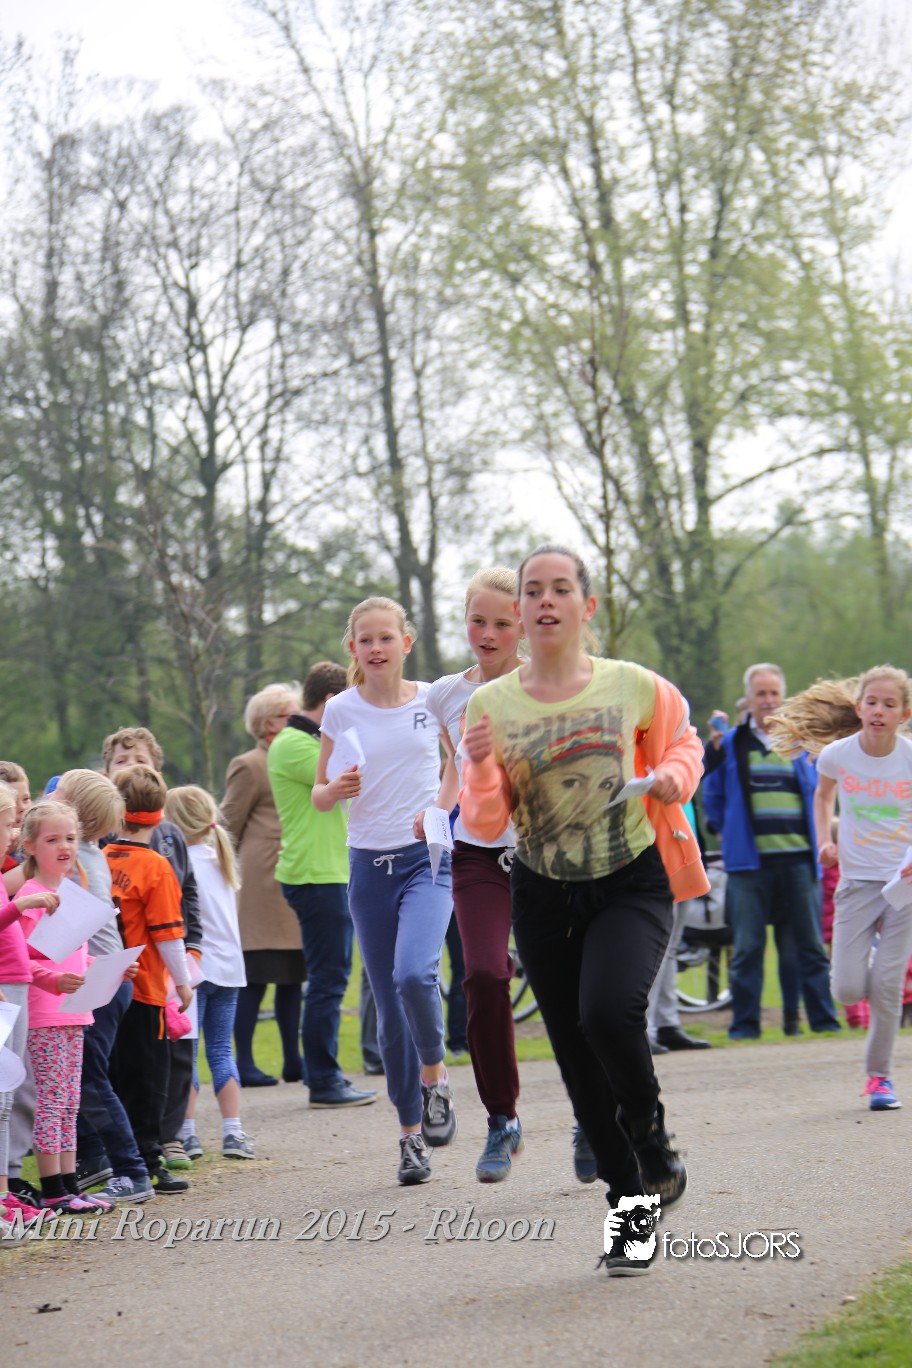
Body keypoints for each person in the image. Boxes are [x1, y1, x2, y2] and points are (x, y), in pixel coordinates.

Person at [459, 545, 705, 1275]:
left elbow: (684, 741)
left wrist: (673, 773)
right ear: (519, 612)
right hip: (543, 892)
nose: (545, 600)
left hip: (631, 879)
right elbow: (485, 820)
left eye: (560, 588)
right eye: (533, 590)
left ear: (585, 605)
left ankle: (652, 1139)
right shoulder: (489, 706)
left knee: (608, 1014)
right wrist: (479, 765)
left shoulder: (632, 685)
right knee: (575, 1061)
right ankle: (631, 1212)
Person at [313, 597, 456, 1186]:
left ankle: (435, 1077)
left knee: (414, 974)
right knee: (388, 1009)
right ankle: (410, 1137)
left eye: (386, 638)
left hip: (427, 860)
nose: (376, 648)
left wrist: (439, 809)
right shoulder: (339, 709)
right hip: (369, 868)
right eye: (365, 640)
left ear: (406, 642)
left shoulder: (432, 700)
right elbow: (319, 793)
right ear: (353, 648)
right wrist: (335, 789)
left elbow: (458, 765)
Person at [419, 567, 525, 1182]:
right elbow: (455, 768)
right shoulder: (444, 695)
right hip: (478, 851)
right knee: (483, 974)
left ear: (524, 627)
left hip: (544, 853)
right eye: (477, 620)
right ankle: (501, 1118)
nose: (487, 634)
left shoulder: (547, 686)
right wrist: (436, 811)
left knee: (574, 990)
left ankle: (593, 1117)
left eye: (502, 624)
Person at [772, 667, 912, 1110]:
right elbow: (822, 796)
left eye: (890, 704)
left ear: (904, 714)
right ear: (858, 708)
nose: (879, 711)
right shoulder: (837, 755)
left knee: (887, 986)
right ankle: (865, 958)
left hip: (904, 885)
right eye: (872, 702)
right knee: (848, 990)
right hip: (856, 882)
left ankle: (879, 1079)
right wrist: (824, 841)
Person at [702, 663, 840, 1039]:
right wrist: (726, 831)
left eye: (774, 693)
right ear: (748, 698)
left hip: (800, 860)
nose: (768, 700)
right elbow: (712, 792)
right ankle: (745, 1027)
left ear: (783, 697)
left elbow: (822, 793)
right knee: (748, 948)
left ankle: (824, 1022)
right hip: (749, 864)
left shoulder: (801, 742)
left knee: (808, 947)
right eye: (760, 693)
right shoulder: (731, 743)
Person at [268, 662, 376, 1109]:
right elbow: (356, 773)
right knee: (328, 981)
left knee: (330, 978)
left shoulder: (302, 740)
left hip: (326, 873)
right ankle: (324, 1079)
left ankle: (324, 1075)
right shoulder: (295, 744)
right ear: (332, 702)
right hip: (317, 875)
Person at [53, 769, 156, 1205]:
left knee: (90, 1080)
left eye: (57, 795)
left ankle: (132, 1171)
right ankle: (95, 1159)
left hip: (99, 980)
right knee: (81, 1078)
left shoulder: (75, 863)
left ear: (74, 812)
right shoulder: (90, 855)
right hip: (107, 977)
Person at [102, 726, 204, 1172]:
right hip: (145, 987)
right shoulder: (156, 866)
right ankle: (147, 1159)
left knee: (116, 1074)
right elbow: (167, 933)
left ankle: (119, 1156)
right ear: (159, 810)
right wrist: (182, 982)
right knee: (148, 1077)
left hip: (107, 983)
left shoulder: (100, 858)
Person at [17, 801, 113, 1214]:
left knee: (70, 1103)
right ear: (30, 846)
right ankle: (54, 1190)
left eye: (70, 838)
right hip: (46, 1014)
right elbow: (19, 959)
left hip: (75, 1011)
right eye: (53, 839)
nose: (64, 847)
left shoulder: (71, 894)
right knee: (52, 1102)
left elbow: (73, 954)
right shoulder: (28, 898)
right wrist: (51, 980)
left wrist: (106, 967)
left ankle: (70, 1186)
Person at [220, 685, 307, 1087]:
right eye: (291, 714)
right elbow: (227, 825)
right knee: (255, 976)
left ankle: (294, 1060)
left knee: (293, 975)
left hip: (294, 875)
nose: (299, 720)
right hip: (261, 883)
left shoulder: (300, 756)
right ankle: (244, 1061)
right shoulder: (249, 764)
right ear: (268, 723)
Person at [163, 785, 255, 1158]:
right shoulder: (221, 857)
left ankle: (187, 1134)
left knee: (189, 1049)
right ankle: (234, 1132)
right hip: (230, 968)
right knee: (221, 1049)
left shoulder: (178, 864)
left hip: (195, 968)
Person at [0, 785, 61, 1226]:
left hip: (16, 985)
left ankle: (5, 1192)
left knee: (7, 1094)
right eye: (7, 825)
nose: (12, 833)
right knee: (2, 1093)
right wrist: (22, 903)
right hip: (6, 988)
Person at [646, 797, 712, 1053]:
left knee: (670, 950)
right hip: (662, 859)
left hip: (683, 858)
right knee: (656, 952)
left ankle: (666, 1023)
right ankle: (645, 1028)